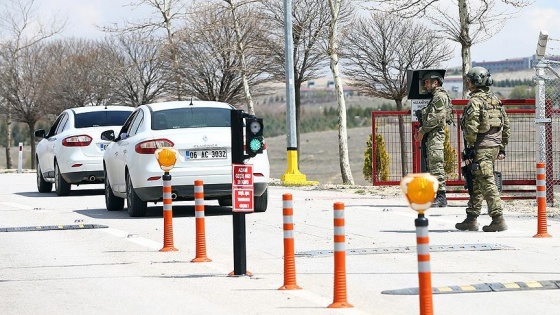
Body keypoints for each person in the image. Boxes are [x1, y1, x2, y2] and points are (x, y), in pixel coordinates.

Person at [455, 66, 510, 232]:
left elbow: (471, 127)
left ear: (475, 82)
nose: (468, 83)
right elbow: (505, 125)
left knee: (486, 182)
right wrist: (502, 147)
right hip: (493, 147)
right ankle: (471, 218)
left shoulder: (475, 101)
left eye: (469, 80)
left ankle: (498, 218)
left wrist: (470, 148)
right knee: (476, 181)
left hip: (481, 148)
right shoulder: (495, 100)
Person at [414, 72, 450, 207]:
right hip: (432, 136)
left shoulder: (439, 96)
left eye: (427, 82)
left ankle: (441, 196)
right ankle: (437, 195)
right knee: (433, 165)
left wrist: (422, 131)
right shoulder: (435, 97)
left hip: (435, 136)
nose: (425, 85)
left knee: (436, 164)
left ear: (436, 82)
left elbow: (437, 118)